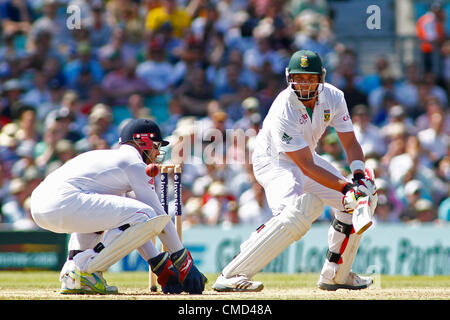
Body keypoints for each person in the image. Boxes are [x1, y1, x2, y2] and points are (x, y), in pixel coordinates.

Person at [212, 50, 377, 292]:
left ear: (321, 78)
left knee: (364, 198)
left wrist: (359, 177)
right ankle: (232, 274)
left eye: (310, 78)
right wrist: (346, 187)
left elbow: (350, 143)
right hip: (274, 162)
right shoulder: (283, 108)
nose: (304, 84)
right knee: (296, 214)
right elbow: (306, 167)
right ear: (290, 78)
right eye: (299, 78)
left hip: (305, 157)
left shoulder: (334, 96)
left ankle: (336, 275)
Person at [30, 118, 206, 295]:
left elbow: (135, 228)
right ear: (143, 141)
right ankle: (84, 270)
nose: (156, 153)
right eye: (155, 145)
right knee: (146, 213)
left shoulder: (109, 161)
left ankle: (74, 274)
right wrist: (182, 260)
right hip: (62, 201)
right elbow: (155, 218)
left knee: (131, 216)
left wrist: (158, 263)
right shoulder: (133, 163)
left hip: (41, 204)